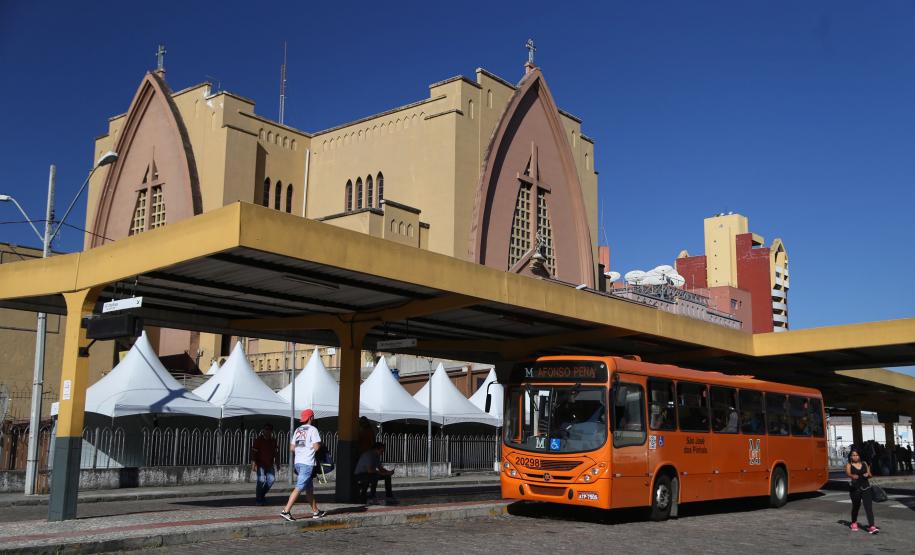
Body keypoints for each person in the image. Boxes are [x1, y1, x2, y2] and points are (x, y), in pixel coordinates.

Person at [280, 409, 326, 521]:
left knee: (309, 488)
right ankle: (286, 511)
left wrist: (301, 450)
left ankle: (316, 511)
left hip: (298, 462)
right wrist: (317, 446)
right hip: (307, 462)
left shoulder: (298, 430)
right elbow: (316, 447)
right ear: (311, 418)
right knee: (299, 487)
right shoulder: (313, 429)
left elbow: (291, 448)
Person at [845, 449, 878, 533]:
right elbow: (848, 474)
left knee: (868, 508)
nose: (855, 457)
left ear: (859, 456)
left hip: (866, 487)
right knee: (856, 506)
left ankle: (872, 526)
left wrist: (868, 474)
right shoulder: (849, 465)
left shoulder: (864, 463)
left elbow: (870, 474)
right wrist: (853, 475)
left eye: (856, 455)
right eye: (853, 455)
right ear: (850, 457)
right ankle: (854, 522)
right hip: (855, 489)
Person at [250, 423, 277, 506]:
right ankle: (259, 500)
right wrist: (253, 463)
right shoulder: (258, 440)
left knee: (271, 479)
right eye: (265, 429)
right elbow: (254, 452)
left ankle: (261, 495)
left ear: (271, 431)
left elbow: (276, 452)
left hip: (269, 464)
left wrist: (278, 462)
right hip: (260, 463)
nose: (267, 431)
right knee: (261, 480)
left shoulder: (273, 441)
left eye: (269, 429)